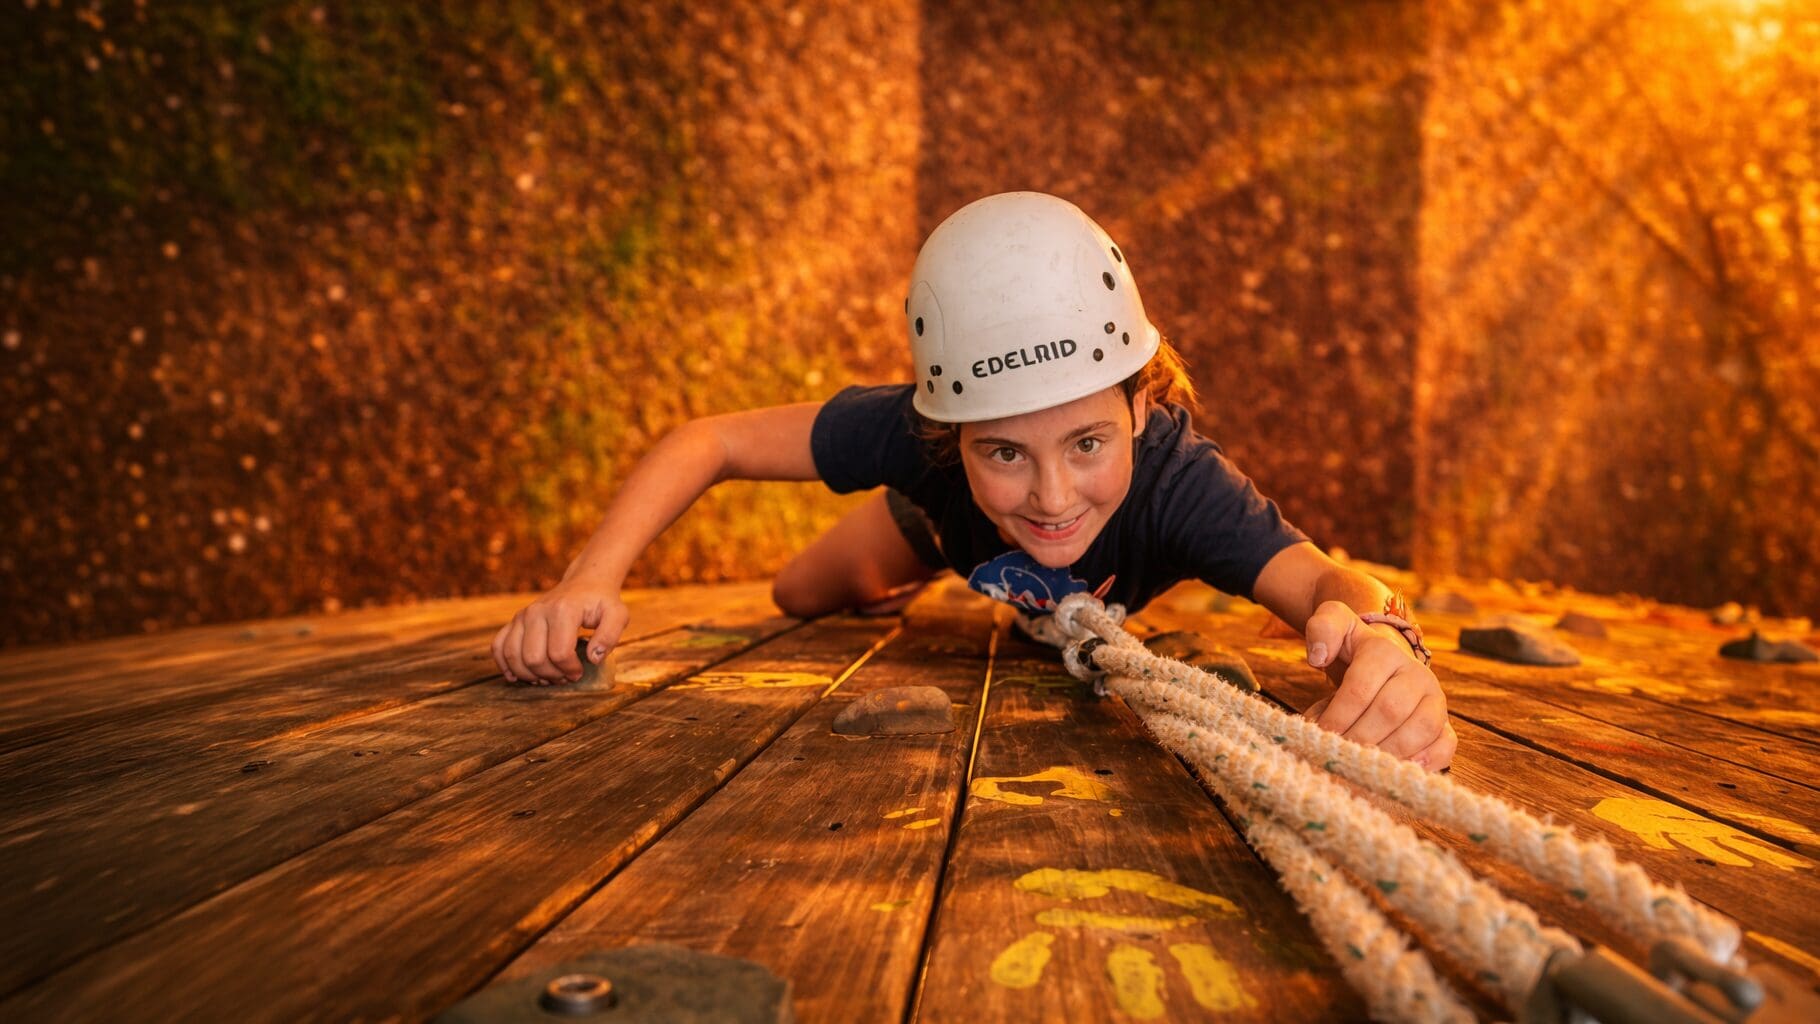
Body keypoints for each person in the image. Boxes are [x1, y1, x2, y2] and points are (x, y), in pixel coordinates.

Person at [491, 192, 1456, 771]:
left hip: (1003, 529)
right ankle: (936, 546)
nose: (1052, 497)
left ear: (1141, 403)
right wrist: (588, 579)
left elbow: (1328, 584)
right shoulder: (915, 440)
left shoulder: (1179, 488)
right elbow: (708, 442)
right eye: (1003, 452)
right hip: (936, 528)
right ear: (947, 437)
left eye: (1087, 442)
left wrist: (1380, 636)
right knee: (801, 592)